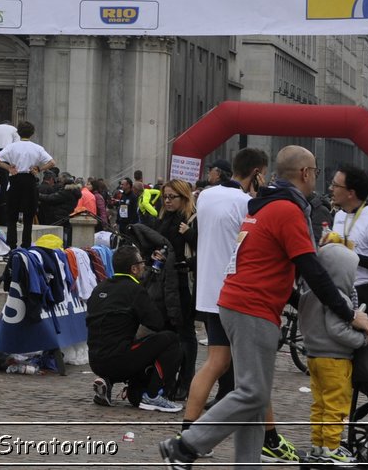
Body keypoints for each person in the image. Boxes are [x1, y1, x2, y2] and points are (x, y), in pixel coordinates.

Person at [161, 146, 368, 470]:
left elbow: (268, 266)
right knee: (253, 394)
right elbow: (311, 269)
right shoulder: (288, 210)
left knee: (253, 396)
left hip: (236, 303)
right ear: (304, 173)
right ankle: (186, 444)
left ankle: (247, 464)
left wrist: (299, 302)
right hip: (252, 309)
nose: (318, 178)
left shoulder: (264, 206)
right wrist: (348, 313)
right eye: (315, 171)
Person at [184, 147, 291, 454]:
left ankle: (188, 428)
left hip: (206, 290)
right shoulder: (247, 203)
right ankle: (269, 439)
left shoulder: (206, 196)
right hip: (235, 293)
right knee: (254, 371)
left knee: (215, 364)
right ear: (257, 173)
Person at [88, 242, 183, 413]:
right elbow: (156, 323)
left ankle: (109, 384)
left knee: (125, 343)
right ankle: (153, 395)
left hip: (95, 360)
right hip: (118, 358)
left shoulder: (99, 288)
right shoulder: (134, 290)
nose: (144, 266)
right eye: (141, 263)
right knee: (171, 340)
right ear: (133, 269)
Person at [298, 242, 368, 464]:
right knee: (336, 405)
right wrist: (362, 339)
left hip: (314, 357)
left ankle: (318, 445)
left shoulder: (309, 295)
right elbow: (338, 330)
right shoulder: (338, 299)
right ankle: (331, 447)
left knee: (319, 404)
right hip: (335, 359)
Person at [324, 165, 368, 320]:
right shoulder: (340, 216)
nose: (331, 188)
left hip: (366, 292)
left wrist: (349, 255)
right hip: (341, 288)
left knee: (352, 341)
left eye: (336, 185)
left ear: (351, 193)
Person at [150, 177, 198, 401]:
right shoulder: (162, 219)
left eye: (172, 197)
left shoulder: (190, 219)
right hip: (163, 281)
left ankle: (185, 382)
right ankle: (166, 379)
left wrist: (189, 234)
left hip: (182, 281)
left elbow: (203, 248)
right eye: (165, 197)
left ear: (183, 197)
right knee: (166, 331)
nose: (167, 201)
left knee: (185, 332)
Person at [0, 121, 55, 249]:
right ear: (32, 133)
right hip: (30, 180)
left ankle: (11, 244)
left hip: (15, 179)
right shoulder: (37, 148)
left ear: (18, 133)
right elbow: (52, 162)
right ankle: (26, 244)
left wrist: (9, 167)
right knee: (28, 216)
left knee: (12, 215)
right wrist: (39, 169)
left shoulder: (12, 147)